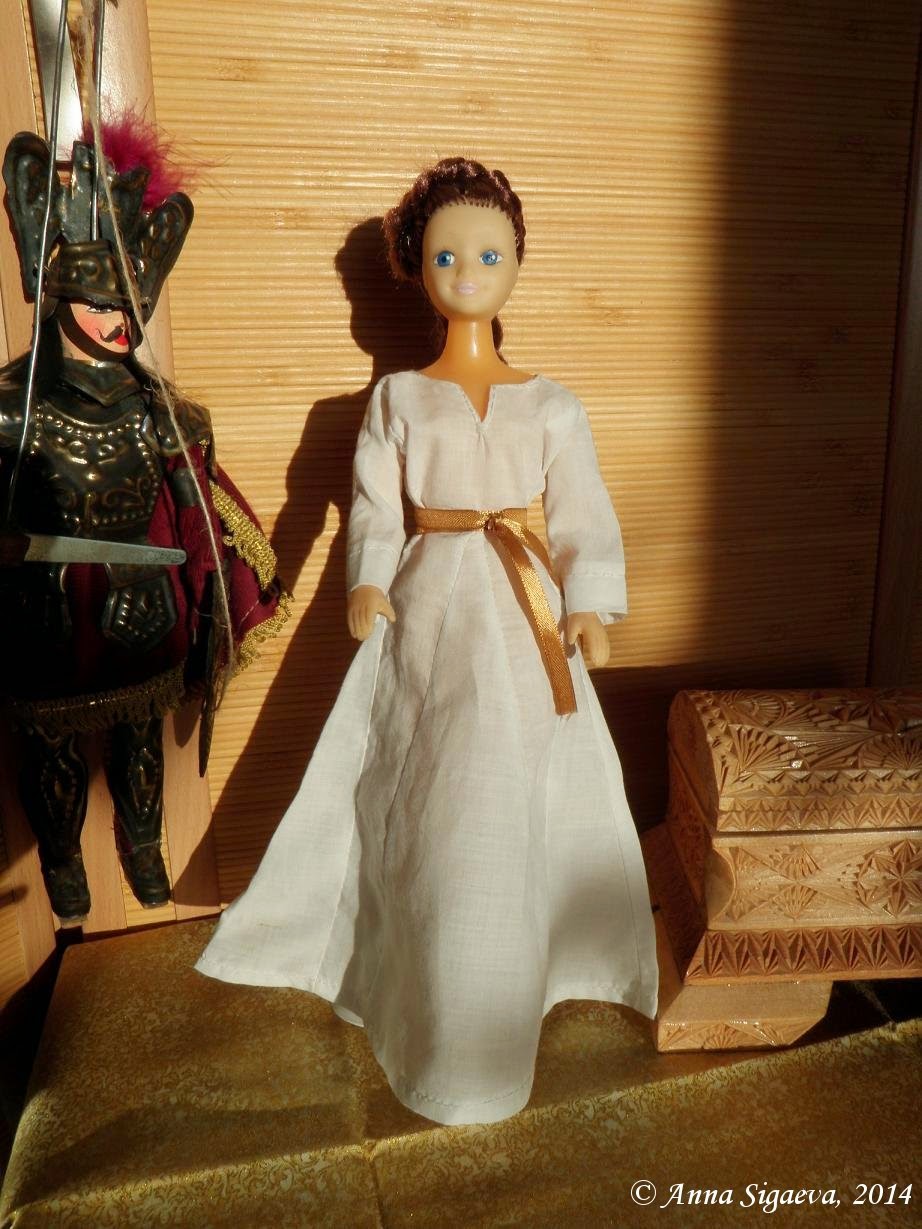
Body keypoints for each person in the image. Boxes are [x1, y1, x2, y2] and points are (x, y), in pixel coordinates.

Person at [197, 158, 658, 1126]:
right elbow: (372, 505)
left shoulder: (552, 402)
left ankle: (515, 982)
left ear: (517, 261)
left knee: (516, 790)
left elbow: (583, 511)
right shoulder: (399, 398)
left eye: (489, 254)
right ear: (416, 268)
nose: (469, 271)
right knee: (431, 787)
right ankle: (422, 982)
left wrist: (589, 604)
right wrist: (366, 581)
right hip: (430, 603)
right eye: (447, 255)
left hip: (526, 614)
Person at [0, 124, 288, 921]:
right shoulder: (9, 410)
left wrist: (220, 592)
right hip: (44, 610)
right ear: (60, 293)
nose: (118, 317)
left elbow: (201, 517)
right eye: (102, 302)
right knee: (49, 748)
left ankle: (145, 846)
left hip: (140, 600)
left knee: (140, 737)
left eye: (129, 303)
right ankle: (63, 863)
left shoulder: (166, 414)